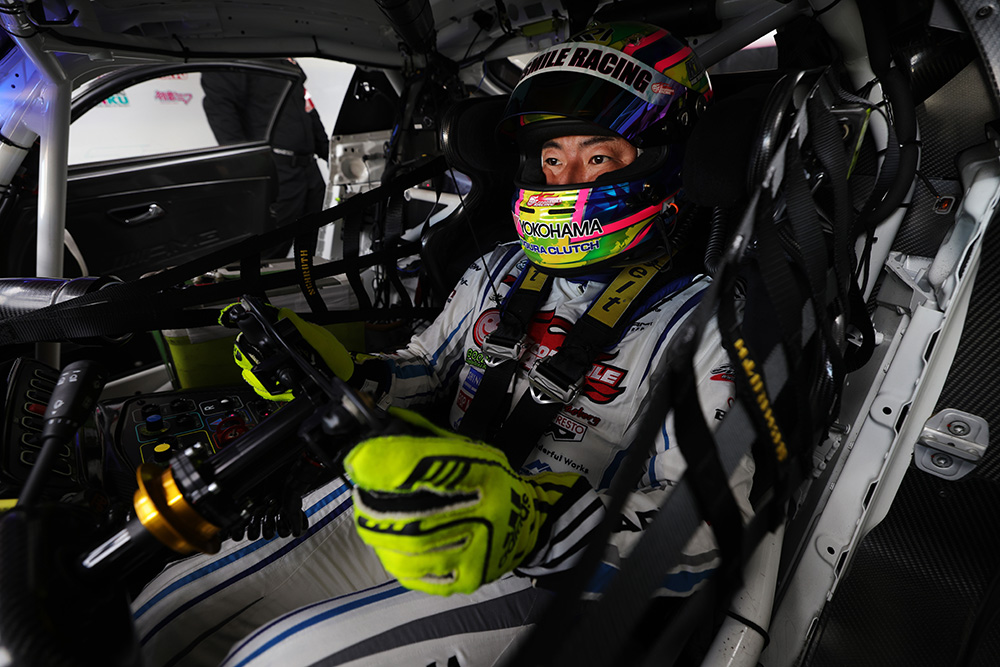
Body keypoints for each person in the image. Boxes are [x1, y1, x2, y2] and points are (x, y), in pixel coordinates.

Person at [133, 22, 754, 666]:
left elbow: (711, 522)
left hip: (550, 565)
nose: (566, 178)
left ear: (662, 161)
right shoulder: (501, 267)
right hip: (427, 498)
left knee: (279, 659)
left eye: (598, 158)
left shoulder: (713, 319)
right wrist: (347, 371)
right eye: (552, 158)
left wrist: (533, 524)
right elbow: (429, 371)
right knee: (165, 618)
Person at [202, 60, 329, 258]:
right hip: (276, 171)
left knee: (310, 244)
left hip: (308, 170)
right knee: (270, 248)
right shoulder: (236, 61)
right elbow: (222, 113)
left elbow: (308, 109)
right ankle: (261, 280)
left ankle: (305, 278)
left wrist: (329, 152)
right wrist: (249, 166)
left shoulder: (285, 61)